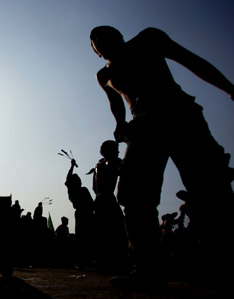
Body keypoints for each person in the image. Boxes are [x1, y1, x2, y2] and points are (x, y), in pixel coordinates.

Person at [90, 26, 234, 290]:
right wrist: (120, 123)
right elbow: (117, 102)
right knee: (133, 195)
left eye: (104, 34)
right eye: (95, 40)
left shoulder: (148, 40)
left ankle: (224, 264)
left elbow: (191, 61)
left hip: (179, 114)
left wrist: (228, 88)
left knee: (209, 187)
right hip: (142, 126)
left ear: (120, 35)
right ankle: (148, 269)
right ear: (95, 51)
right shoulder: (105, 75)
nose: (99, 39)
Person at [88, 140, 128, 273]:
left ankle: (104, 260)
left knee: (102, 231)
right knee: (118, 230)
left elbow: (94, 187)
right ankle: (117, 261)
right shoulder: (113, 163)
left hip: (99, 199)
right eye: (116, 149)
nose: (118, 152)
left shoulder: (98, 165)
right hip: (107, 198)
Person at [65, 159, 95, 266]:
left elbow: (68, 179)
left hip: (84, 214)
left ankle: (84, 259)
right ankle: (85, 259)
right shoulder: (80, 190)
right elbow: (68, 178)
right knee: (85, 237)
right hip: (85, 214)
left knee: (84, 236)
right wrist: (72, 166)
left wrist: (72, 166)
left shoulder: (76, 190)